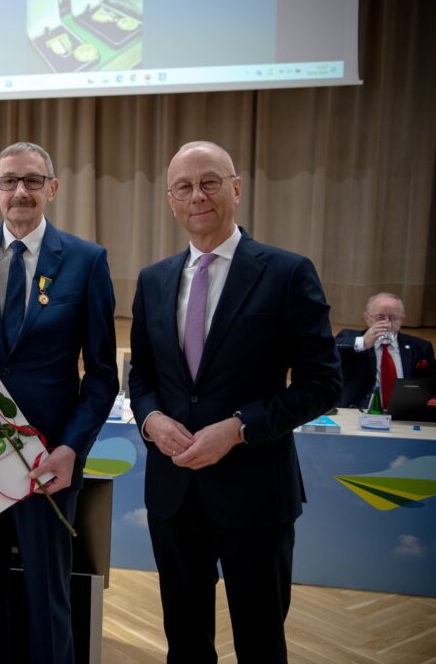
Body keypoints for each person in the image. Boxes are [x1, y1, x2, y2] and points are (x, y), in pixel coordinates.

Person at [128, 141, 342, 662]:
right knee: (184, 637)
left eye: (210, 182)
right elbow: (143, 377)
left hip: (256, 492)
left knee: (261, 639)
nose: (196, 195)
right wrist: (152, 419)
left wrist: (240, 426)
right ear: (171, 201)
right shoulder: (153, 280)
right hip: (174, 493)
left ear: (237, 189)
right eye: (184, 186)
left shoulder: (287, 273)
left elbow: (323, 382)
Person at [0, 141, 119, 664]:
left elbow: (103, 375)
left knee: (47, 595)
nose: (20, 191)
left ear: (52, 189)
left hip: (48, 463)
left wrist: (70, 450)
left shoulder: (86, 261)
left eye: (33, 181)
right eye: (9, 181)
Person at [335, 293, 436, 408]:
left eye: (393, 318)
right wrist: (364, 342)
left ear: (402, 319)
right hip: (358, 412)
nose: (387, 324)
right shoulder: (350, 338)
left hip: (405, 413)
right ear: (367, 318)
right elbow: (330, 351)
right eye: (380, 318)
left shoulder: (420, 347)